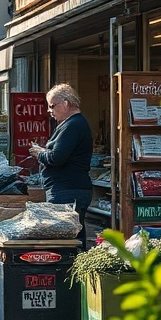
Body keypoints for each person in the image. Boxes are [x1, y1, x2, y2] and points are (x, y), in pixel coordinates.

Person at [28, 83, 93, 248]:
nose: (49, 111)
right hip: (67, 189)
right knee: (71, 237)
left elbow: (57, 158)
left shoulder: (73, 125)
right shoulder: (70, 124)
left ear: (65, 103)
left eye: (52, 106)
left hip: (68, 191)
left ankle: (70, 272)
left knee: (66, 240)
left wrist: (39, 153)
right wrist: (44, 151)